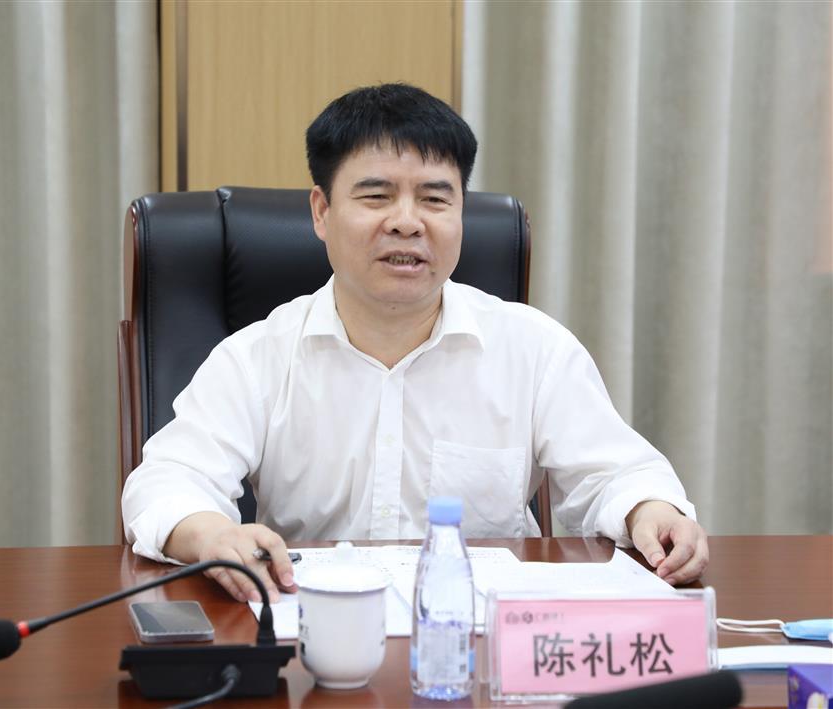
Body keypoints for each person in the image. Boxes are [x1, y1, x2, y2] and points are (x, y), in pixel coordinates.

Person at [122, 83, 709, 604]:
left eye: (434, 199)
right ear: (322, 212)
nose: (407, 222)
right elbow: (167, 481)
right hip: (317, 627)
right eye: (376, 196)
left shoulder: (533, 349)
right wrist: (212, 534)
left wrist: (650, 510)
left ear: (461, 214)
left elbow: (615, 474)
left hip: (483, 644)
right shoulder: (257, 357)